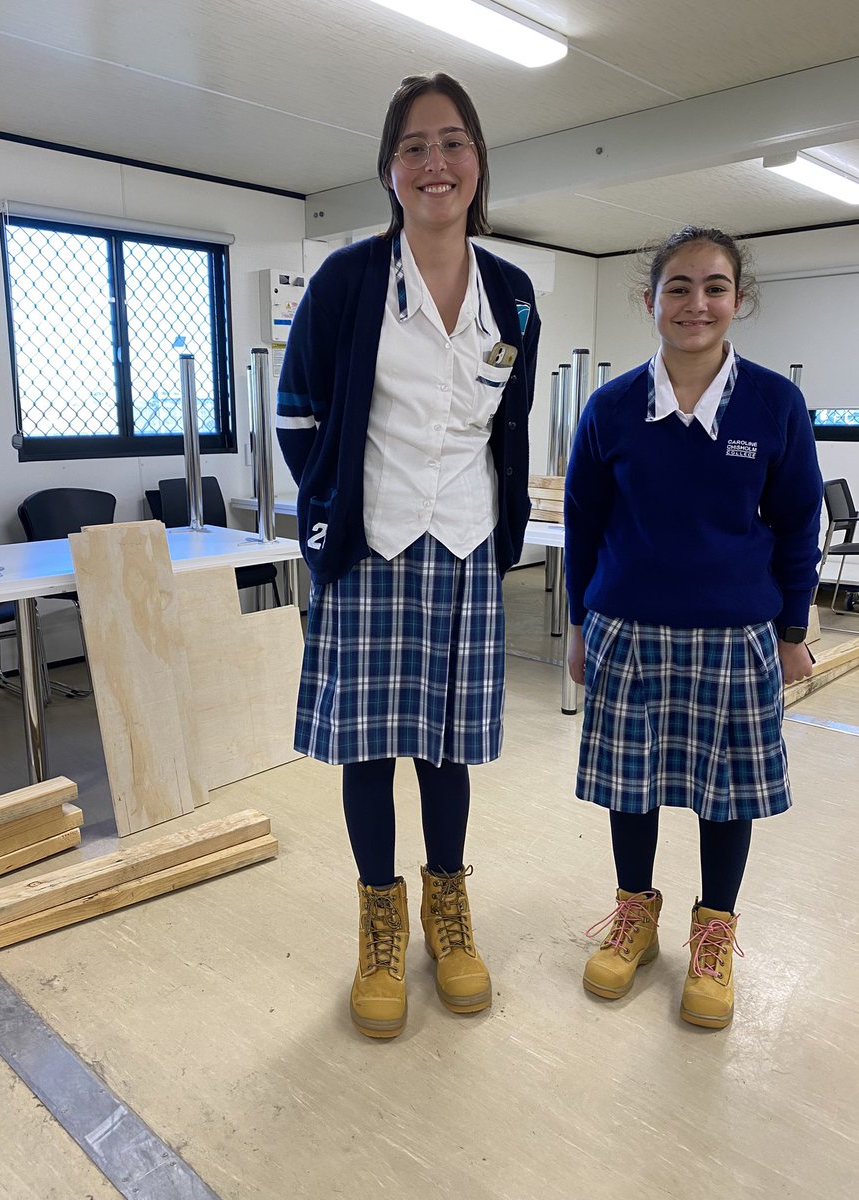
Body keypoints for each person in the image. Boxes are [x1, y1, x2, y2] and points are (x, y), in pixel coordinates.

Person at [276, 72, 541, 1039]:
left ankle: (448, 909)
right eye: (417, 146)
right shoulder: (349, 281)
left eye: (455, 142)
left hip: (466, 543)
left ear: (478, 162)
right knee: (368, 745)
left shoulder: (512, 295)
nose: (438, 163)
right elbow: (298, 415)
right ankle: (380, 917)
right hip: (370, 544)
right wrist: (337, 506)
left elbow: (504, 426)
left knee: (447, 745)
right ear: (390, 169)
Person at [564, 226, 822, 1029]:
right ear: (651, 302)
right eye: (677, 287)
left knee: (726, 794)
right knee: (629, 783)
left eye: (714, 287)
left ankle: (714, 931)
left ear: (737, 300)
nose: (696, 303)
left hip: (735, 633)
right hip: (626, 627)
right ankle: (634, 915)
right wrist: (577, 623)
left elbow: (794, 522)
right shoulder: (610, 409)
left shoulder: (773, 404)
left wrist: (789, 629)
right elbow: (582, 521)